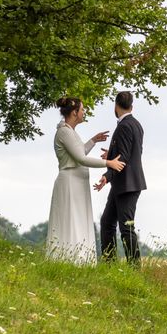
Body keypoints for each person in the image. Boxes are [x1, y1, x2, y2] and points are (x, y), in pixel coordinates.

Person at [47, 97, 125, 264]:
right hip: (69, 183)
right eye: (82, 110)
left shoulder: (70, 132)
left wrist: (93, 141)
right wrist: (108, 162)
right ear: (74, 112)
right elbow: (81, 159)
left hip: (77, 183)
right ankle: (68, 260)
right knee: (71, 219)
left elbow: (79, 152)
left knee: (79, 219)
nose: (84, 113)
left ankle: (79, 260)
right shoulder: (64, 132)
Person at [94, 91, 147, 265]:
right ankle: (109, 264)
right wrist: (112, 154)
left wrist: (106, 175)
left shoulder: (124, 126)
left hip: (126, 184)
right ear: (131, 106)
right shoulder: (136, 124)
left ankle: (135, 267)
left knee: (125, 228)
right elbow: (132, 153)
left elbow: (123, 158)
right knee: (108, 222)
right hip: (125, 184)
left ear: (116, 106)